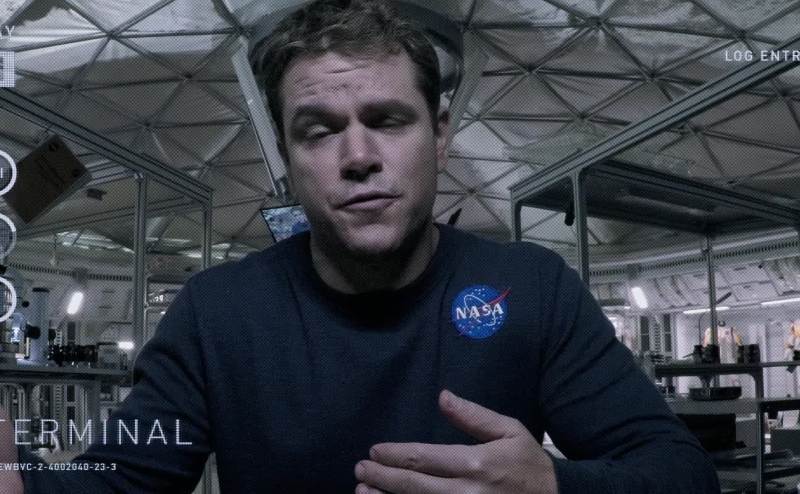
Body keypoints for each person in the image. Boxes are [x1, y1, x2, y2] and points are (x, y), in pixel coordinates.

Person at [0, 0, 720, 492]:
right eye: (319, 130)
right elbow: (121, 479)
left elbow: (682, 473)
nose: (359, 157)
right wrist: (18, 479)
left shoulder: (533, 288)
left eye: (388, 120)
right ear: (286, 157)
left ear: (439, 134)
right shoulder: (216, 313)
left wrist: (555, 486)